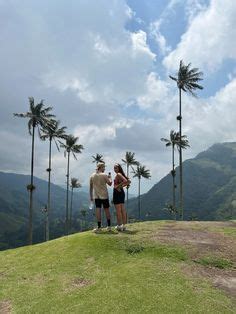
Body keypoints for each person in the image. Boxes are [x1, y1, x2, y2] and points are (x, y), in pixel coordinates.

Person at [90, 162, 112, 232]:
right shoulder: (104, 175)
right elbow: (110, 184)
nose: (104, 168)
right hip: (104, 196)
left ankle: (99, 227)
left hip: (96, 196)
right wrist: (110, 178)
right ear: (101, 167)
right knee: (107, 211)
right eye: (104, 167)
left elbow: (91, 187)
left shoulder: (92, 176)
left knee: (98, 210)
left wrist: (91, 196)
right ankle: (109, 226)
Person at [113, 163, 130, 231]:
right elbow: (128, 181)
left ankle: (119, 225)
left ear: (119, 168)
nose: (115, 169)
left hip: (117, 193)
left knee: (118, 211)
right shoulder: (121, 174)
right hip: (121, 193)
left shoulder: (118, 174)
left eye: (116, 168)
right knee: (122, 210)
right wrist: (121, 186)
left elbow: (126, 181)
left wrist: (118, 186)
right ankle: (124, 225)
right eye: (114, 168)